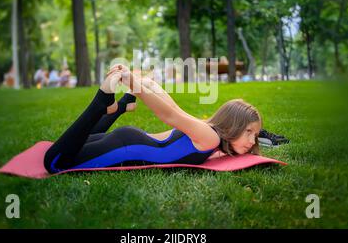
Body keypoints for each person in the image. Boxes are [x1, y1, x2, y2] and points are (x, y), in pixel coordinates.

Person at [43, 64, 268, 174]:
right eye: (249, 131)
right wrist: (135, 84)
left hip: (128, 142)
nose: (252, 140)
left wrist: (148, 84)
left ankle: (120, 106)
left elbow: (173, 107)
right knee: (55, 162)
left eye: (255, 135)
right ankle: (102, 102)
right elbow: (168, 114)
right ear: (234, 125)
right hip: (127, 148)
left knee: (78, 142)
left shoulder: (208, 130)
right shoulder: (209, 137)